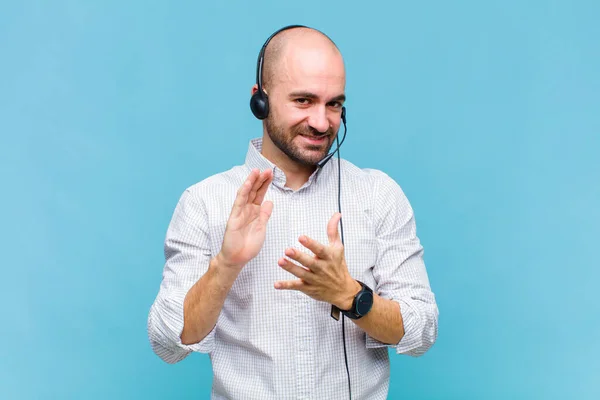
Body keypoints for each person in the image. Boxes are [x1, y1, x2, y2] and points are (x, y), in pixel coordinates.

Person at [147, 25, 439, 400]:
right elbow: (168, 343)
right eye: (304, 100)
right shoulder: (205, 202)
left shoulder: (378, 195)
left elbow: (422, 330)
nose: (321, 122)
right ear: (260, 101)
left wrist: (351, 296)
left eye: (334, 104)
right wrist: (225, 265)